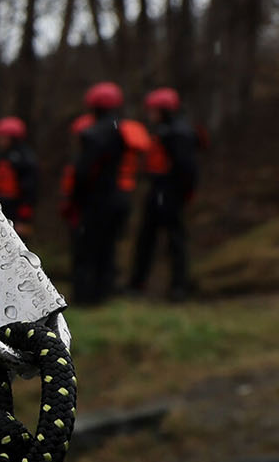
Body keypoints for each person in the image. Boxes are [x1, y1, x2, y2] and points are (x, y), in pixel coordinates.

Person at [63, 81, 146, 306]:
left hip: (95, 201)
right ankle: (102, 294)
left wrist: (73, 199)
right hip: (117, 198)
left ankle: (84, 297)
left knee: (86, 249)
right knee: (106, 248)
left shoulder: (94, 133)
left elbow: (83, 172)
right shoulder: (120, 130)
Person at [129, 87, 202, 300]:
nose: (150, 114)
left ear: (165, 110)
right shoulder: (165, 129)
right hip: (159, 190)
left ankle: (178, 287)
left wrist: (185, 192)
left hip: (170, 192)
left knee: (175, 240)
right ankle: (138, 283)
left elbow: (186, 167)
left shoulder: (178, 132)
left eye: (154, 110)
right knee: (147, 239)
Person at [0, 116, 38, 235]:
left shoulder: (24, 159)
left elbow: (29, 189)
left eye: (1, 137)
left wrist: (24, 218)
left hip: (15, 211)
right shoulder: (2, 157)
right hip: (0, 208)